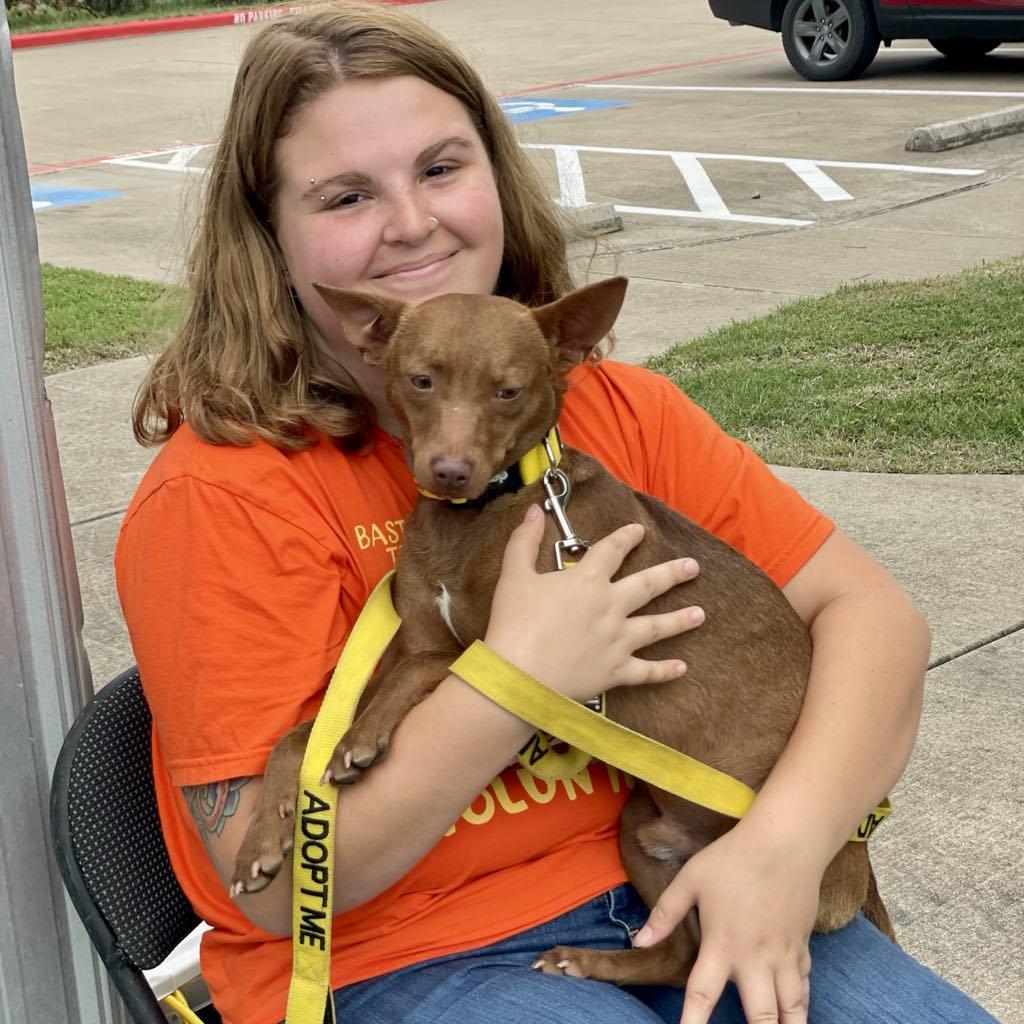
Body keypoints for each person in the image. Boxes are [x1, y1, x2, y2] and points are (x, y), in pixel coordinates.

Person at [114, 7, 996, 1024]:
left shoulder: (621, 413)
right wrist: (517, 679)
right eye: (347, 195)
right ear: (268, 233)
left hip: (693, 875)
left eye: (442, 168)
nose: (412, 222)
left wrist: (783, 849)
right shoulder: (223, 497)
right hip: (407, 956)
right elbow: (275, 891)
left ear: (497, 176)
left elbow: (877, 620)